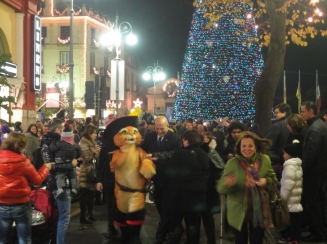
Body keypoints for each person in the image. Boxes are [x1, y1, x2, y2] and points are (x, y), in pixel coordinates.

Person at [217, 131, 277, 244]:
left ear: (256, 147)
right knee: (240, 240)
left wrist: (266, 180)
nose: (246, 149)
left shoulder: (265, 160)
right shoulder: (232, 163)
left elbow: (273, 179)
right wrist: (229, 184)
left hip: (259, 208)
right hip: (238, 209)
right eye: (243, 146)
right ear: (239, 148)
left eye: (250, 146)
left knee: (257, 240)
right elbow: (220, 188)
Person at [0, 132, 52, 244]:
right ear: (21, 146)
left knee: (3, 239)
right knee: (24, 239)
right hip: (21, 204)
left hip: (2, 204)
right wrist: (45, 168)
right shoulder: (23, 162)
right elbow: (37, 180)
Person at [141, 116, 182, 244]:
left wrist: (155, 155)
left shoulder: (175, 138)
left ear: (168, 126)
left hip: (170, 179)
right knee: (159, 204)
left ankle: (160, 236)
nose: (159, 131)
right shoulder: (150, 136)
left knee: (166, 208)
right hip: (155, 178)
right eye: (157, 128)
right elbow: (142, 149)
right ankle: (174, 228)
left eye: (162, 129)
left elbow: (174, 155)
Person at [165, 129, 209, 244]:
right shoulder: (203, 154)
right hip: (197, 196)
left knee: (176, 223)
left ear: (186, 140)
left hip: (180, 196)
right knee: (193, 225)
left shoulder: (180, 153)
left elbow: (170, 171)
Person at [41, 119, 78, 244]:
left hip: (58, 183)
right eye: (62, 128)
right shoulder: (49, 144)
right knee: (64, 217)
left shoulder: (59, 143)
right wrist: (71, 165)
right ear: (57, 130)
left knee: (59, 216)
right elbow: (50, 166)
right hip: (58, 184)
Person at [300, 101, 327, 242]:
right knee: (321, 202)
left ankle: (318, 234)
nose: (301, 113)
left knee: (313, 204)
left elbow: (312, 153)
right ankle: (322, 231)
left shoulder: (315, 129)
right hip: (320, 171)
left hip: (314, 172)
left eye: (303, 111)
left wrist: (303, 171)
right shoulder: (319, 125)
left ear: (311, 112)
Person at [201, 132, 224, 244]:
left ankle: (211, 240)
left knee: (207, 216)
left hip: (208, 189)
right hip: (205, 188)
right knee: (206, 216)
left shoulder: (211, 151)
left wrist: (215, 183)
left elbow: (220, 168)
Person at [279, 141, 303, 244]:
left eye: (284, 153)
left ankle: (291, 238)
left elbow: (287, 185)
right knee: (294, 220)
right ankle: (293, 237)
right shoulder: (297, 165)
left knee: (289, 221)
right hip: (296, 198)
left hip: (289, 200)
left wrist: (282, 199)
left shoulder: (289, 167)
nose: (283, 155)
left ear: (289, 154)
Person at [50, 123, 81, 198]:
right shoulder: (75, 145)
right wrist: (75, 157)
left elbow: (52, 149)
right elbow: (79, 152)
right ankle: (74, 189)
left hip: (60, 161)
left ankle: (60, 189)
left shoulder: (58, 143)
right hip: (71, 161)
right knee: (73, 176)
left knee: (60, 176)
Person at [78, 125, 100, 227]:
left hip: (92, 171)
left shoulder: (92, 142)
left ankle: (90, 213)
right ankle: (83, 216)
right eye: (94, 133)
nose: (96, 135)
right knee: (84, 195)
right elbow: (86, 158)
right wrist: (96, 152)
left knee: (91, 194)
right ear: (89, 133)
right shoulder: (83, 143)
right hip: (86, 172)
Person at [266, 103, 292, 178]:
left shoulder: (276, 127)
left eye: (277, 112)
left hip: (278, 164)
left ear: (284, 113)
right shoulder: (294, 125)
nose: (274, 115)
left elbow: (268, 146)